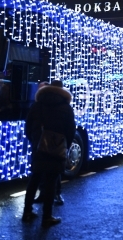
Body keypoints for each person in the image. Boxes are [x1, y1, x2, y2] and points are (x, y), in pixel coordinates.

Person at [22, 80, 76, 228]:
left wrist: (35, 141)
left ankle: (27, 212)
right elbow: (71, 131)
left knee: (35, 179)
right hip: (56, 149)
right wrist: (64, 145)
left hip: (38, 147)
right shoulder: (66, 108)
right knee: (51, 181)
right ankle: (47, 217)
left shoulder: (37, 105)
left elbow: (27, 127)